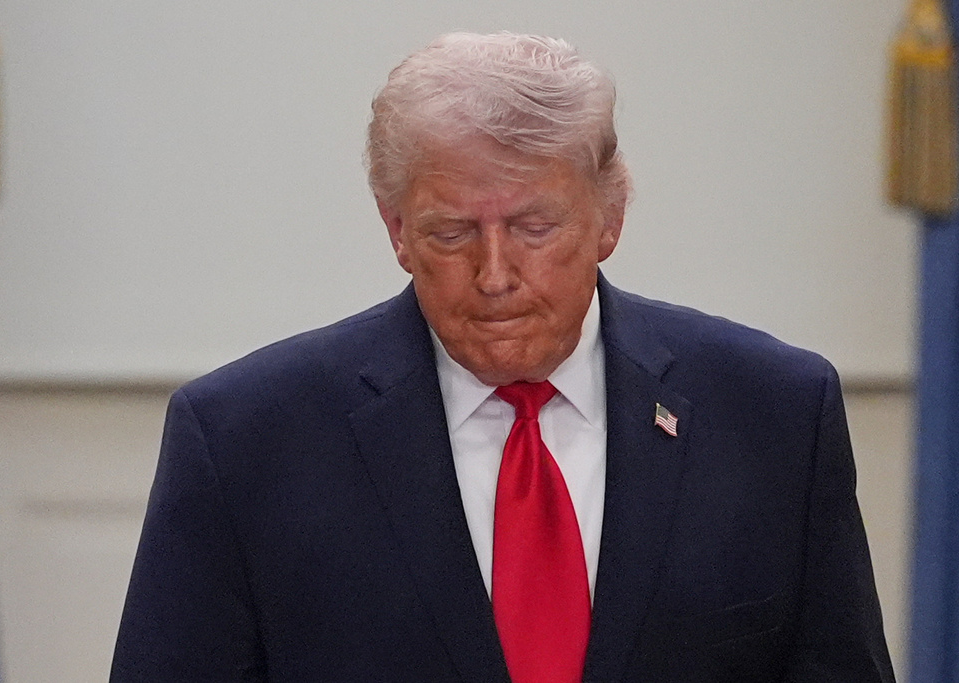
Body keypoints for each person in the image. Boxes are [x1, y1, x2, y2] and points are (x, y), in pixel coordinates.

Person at [110, 32, 895, 682]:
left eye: (533, 227)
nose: (494, 274)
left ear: (608, 218)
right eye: (452, 233)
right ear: (397, 232)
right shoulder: (246, 440)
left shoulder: (776, 416)